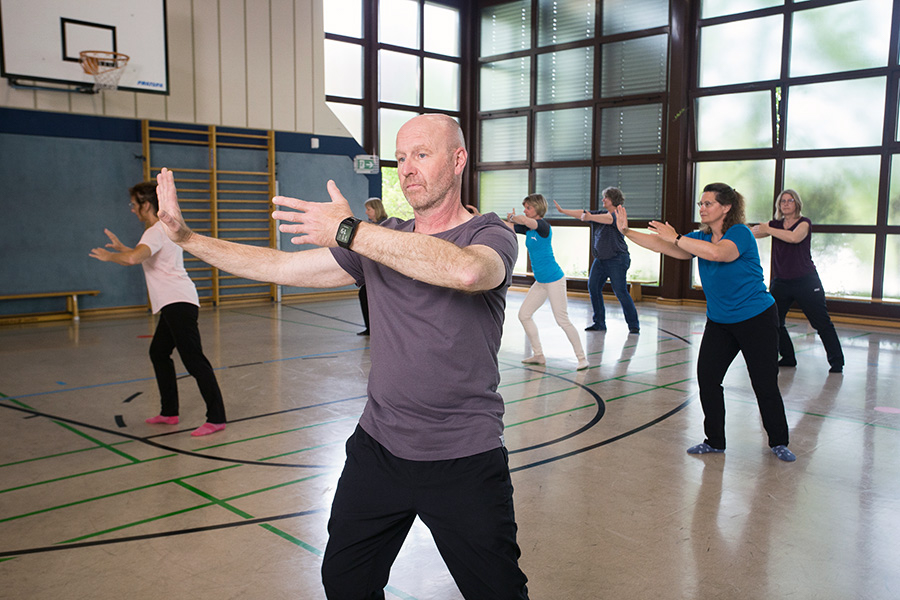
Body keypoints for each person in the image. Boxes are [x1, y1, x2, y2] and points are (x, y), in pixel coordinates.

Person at [154, 114, 530, 599]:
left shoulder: (489, 233)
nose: (407, 169)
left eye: (421, 154)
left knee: (498, 593)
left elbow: (466, 273)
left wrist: (350, 230)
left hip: (463, 456)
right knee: (346, 581)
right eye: (400, 159)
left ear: (458, 160)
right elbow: (280, 266)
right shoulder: (381, 239)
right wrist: (188, 239)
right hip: (379, 449)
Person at [614, 183, 796, 462]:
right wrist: (626, 232)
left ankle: (779, 441)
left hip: (756, 319)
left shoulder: (741, 234)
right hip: (720, 322)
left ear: (726, 207)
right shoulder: (700, 237)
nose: (702, 208)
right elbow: (664, 245)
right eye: (701, 204)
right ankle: (715, 441)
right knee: (708, 379)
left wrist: (676, 238)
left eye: (708, 203)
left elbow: (718, 254)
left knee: (764, 383)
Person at [89, 181, 227, 437]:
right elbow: (144, 255)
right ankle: (169, 412)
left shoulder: (154, 231)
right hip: (174, 302)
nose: (132, 210)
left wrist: (112, 256)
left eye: (134, 204)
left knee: (194, 360)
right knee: (159, 352)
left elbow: (134, 259)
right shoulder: (164, 229)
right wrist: (124, 249)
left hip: (178, 303)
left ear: (146, 204)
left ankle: (217, 417)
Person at [752, 189, 844, 373]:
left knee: (821, 322)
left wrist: (768, 228)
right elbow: (751, 233)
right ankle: (787, 357)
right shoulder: (775, 224)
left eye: (790, 200)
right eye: (782, 201)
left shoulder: (804, 223)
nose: (785, 204)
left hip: (806, 282)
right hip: (781, 282)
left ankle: (837, 362)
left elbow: (794, 238)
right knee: (774, 321)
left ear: (797, 204)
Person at [506, 194, 589, 370]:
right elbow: (508, 226)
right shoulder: (528, 228)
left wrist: (514, 218)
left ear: (537, 209)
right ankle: (538, 355)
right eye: (525, 207)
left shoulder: (542, 226)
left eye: (528, 207)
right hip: (541, 282)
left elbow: (524, 221)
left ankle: (582, 359)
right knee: (524, 315)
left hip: (554, 280)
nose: (525, 210)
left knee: (562, 320)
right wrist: (478, 217)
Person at [554, 188, 640, 333]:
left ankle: (633, 326)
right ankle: (599, 323)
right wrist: (563, 211)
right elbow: (582, 213)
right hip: (600, 260)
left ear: (612, 199)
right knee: (593, 287)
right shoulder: (599, 214)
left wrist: (588, 217)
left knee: (620, 291)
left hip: (617, 259)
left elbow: (608, 219)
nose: (603, 200)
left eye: (605, 197)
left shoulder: (617, 215)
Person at [356, 197, 388, 336]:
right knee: (364, 294)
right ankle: (370, 327)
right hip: (372, 271)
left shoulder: (385, 225)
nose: (366, 212)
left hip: (385, 273)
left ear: (376, 210)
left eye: (369, 209)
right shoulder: (370, 226)